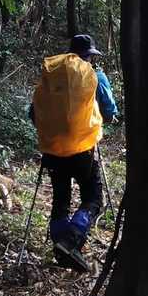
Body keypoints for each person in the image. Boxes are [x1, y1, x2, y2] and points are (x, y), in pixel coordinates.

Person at [30, 34, 119, 273]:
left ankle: (60, 244)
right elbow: (110, 112)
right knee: (93, 198)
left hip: (52, 151)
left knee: (61, 198)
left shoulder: (51, 77)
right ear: (89, 56)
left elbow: (34, 113)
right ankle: (72, 239)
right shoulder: (96, 77)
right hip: (83, 150)